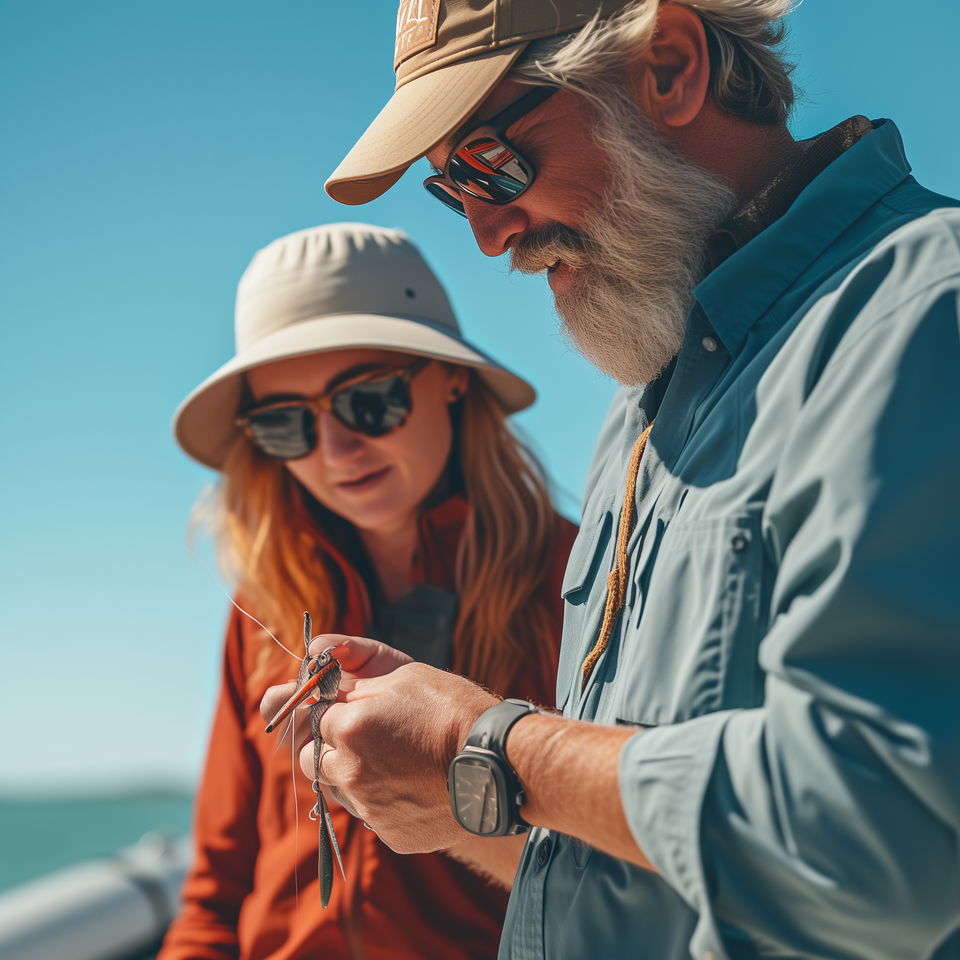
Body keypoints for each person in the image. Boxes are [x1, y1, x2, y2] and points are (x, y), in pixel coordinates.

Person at [263, 2, 960, 959]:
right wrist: (456, 801)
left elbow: (883, 847)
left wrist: (489, 745)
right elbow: (654, 873)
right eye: (447, 192)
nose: (486, 234)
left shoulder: (928, 312)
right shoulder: (642, 411)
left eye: (488, 162)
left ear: (668, 65)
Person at [161, 222, 577, 960]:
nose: (335, 451)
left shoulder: (579, 582)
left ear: (452, 378)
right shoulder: (262, 608)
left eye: (370, 400)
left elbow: (621, 876)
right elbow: (218, 887)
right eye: (285, 425)